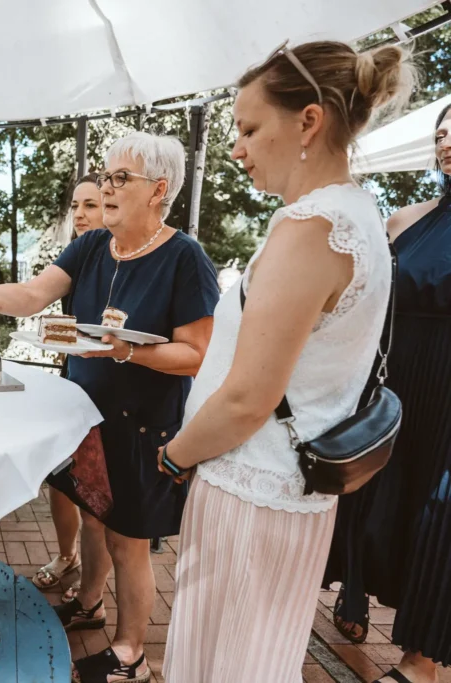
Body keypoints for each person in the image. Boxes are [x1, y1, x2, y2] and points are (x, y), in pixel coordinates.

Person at [0, 132, 219, 683]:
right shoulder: (94, 245)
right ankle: (91, 606)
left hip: (141, 426)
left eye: (120, 178)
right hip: (85, 416)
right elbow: (33, 295)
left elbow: (195, 354)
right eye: (106, 176)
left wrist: (126, 349)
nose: (106, 187)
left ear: (158, 190)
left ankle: (131, 655)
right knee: (97, 522)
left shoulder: (184, 258)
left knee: (129, 542)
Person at [160, 40, 413, 682]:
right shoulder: (357, 214)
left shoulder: (311, 228)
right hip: (286, 491)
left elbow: (247, 397)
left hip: (252, 492)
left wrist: (174, 456)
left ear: (308, 120)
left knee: (226, 663)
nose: (237, 148)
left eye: (249, 128)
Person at [324, 102, 451, 683]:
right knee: (376, 495)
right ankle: (356, 591)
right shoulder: (405, 218)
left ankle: (419, 662)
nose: (445, 141)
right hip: (393, 380)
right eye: (441, 132)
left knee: (436, 511)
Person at [33, 173, 106, 596]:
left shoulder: (121, 259)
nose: (79, 213)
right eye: (75, 205)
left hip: (108, 388)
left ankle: (94, 589)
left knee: (95, 499)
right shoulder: (74, 255)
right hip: (74, 379)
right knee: (61, 476)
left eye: (90, 205)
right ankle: (67, 555)